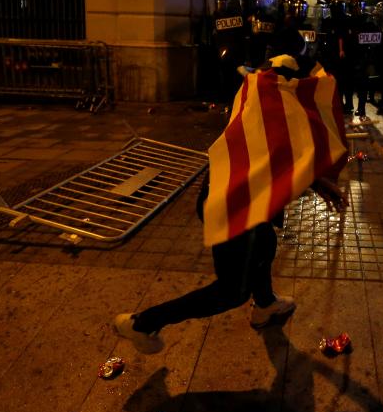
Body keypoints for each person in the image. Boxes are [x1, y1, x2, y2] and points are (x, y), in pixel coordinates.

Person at [114, 29, 349, 354]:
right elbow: (288, 146)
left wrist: (319, 182)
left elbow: (278, 151)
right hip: (239, 202)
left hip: (225, 190)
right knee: (232, 291)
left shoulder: (256, 89)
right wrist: (321, 176)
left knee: (264, 242)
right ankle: (143, 323)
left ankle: (265, 304)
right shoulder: (279, 97)